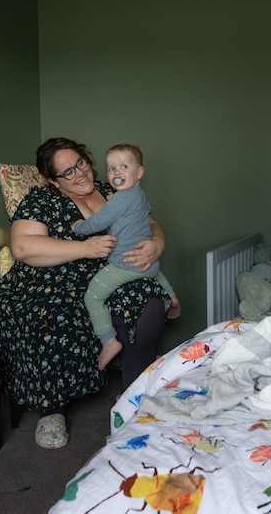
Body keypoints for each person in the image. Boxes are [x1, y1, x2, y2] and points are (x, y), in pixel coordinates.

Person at [0, 137, 170, 449]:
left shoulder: (114, 189)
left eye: (81, 164)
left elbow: (151, 224)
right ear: (52, 181)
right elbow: (22, 247)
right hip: (50, 278)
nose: (79, 174)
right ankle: (51, 409)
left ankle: (133, 394)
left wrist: (157, 244)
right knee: (53, 312)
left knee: (149, 302)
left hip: (105, 275)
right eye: (67, 173)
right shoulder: (40, 200)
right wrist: (83, 248)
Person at [72, 144, 181, 371]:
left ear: (139, 173)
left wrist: (80, 227)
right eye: (111, 169)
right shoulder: (139, 195)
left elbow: (99, 222)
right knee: (152, 268)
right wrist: (115, 200)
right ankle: (171, 295)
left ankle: (109, 341)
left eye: (123, 166)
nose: (116, 173)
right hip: (150, 265)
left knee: (92, 298)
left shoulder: (120, 200)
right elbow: (131, 214)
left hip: (124, 264)